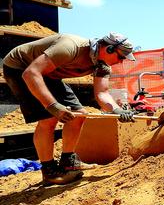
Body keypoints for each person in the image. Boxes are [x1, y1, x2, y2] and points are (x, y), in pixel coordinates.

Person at [2, 32, 138, 185]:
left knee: (79, 115)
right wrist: (53, 106)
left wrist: (117, 110)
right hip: (21, 67)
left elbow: (102, 93)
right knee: (49, 118)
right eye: (121, 57)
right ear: (110, 49)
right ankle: (49, 171)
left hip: (49, 74)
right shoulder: (70, 47)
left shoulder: (103, 65)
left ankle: (68, 161)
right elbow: (31, 73)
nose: (120, 62)